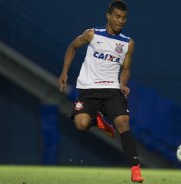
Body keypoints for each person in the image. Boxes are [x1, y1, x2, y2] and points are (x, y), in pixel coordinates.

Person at [58, 0, 144, 183]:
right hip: (88, 91)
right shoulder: (92, 34)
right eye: (117, 17)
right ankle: (97, 121)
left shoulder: (128, 43)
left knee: (123, 121)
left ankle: (135, 169)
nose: (121, 21)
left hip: (111, 90)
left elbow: (126, 69)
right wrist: (64, 72)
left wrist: (122, 83)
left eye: (124, 18)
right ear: (108, 16)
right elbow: (72, 46)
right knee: (81, 124)